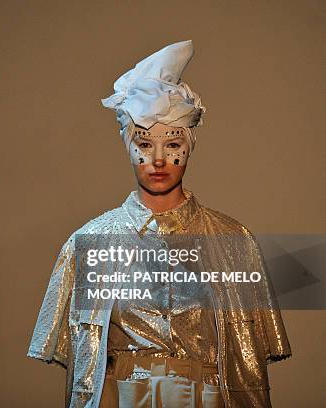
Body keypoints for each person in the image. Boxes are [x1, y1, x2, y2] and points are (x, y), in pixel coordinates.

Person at [27, 40, 291, 408]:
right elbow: (77, 362)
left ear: (190, 144)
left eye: (172, 144)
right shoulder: (88, 244)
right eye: (144, 143)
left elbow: (250, 358)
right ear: (128, 145)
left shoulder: (234, 241)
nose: (158, 159)